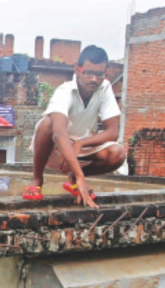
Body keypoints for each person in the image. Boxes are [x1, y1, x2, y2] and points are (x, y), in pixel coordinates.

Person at [22, 45, 126, 208]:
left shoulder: (104, 88)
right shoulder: (64, 91)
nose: (94, 79)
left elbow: (112, 132)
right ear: (78, 70)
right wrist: (81, 177)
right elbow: (58, 133)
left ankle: (72, 180)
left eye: (99, 74)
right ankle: (37, 178)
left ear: (106, 73)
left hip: (79, 148)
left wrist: (81, 143)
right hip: (52, 149)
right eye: (89, 73)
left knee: (117, 153)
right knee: (47, 123)